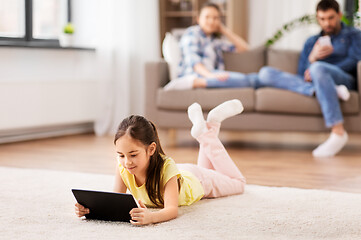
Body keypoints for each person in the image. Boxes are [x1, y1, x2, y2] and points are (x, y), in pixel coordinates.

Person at [75, 99, 246, 225]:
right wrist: (89, 209)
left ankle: (206, 133)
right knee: (206, 167)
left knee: (239, 183)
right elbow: (115, 200)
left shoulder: (166, 167)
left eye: (133, 155)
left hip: (199, 180)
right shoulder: (123, 167)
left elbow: (171, 210)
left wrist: (151, 217)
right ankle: (212, 125)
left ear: (151, 149)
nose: (126, 162)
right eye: (121, 155)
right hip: (182, 173)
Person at [257, 0, 361, 157]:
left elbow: (355, 60)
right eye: (322, 19)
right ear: (317, 19)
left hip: (344, 79)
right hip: (317, 80)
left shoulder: (354, 35)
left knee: (318, 68)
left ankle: (338, 131)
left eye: (331, 18)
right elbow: (301, 73)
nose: (327, 23)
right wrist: (312, 59)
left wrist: (320, 69)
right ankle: (328, 90)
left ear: (339, 15)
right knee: (265, 73)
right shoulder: (311, 42)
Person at [164, 3, 258, 90]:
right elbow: (194, 61)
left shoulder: (214, 40)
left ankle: (262, 78)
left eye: (215, 18)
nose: (211, 21)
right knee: (245, 79)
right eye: (207, 17)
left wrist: (224, 30)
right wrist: (211, 76)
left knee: (246, 78)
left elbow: (245, 48)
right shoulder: (192, 33)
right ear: (198, 19)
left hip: (212, 75)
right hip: (196, 77)